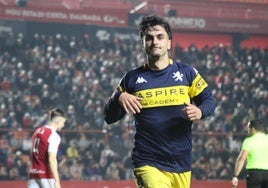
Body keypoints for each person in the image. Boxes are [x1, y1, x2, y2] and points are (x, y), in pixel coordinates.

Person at [104, 15, 216, 188]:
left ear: (169, 43)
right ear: (143, 44)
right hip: (148, 161)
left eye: (160, 37)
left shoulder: (187, 73)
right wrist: (118, 97)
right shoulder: (132, 78)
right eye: (149, 38)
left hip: (181, 164)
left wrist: (200, 111)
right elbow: (109, 117)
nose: (154, 42)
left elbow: (209, 100)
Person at [27, 108, 67, 188]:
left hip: (33, 174)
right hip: (46, 176)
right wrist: (57, 181)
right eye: (63, 122)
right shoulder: (54, 136)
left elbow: (32, 152)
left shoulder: (37, 131)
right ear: (57, 122)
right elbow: (52, 159)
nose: (63, 125)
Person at [232, 119, 268, 188]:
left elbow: (242, 159)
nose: (247, 130)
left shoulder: (248, 141)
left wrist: (235, 176)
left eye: (248, 128)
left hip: (254, 174)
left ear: (253, 129)